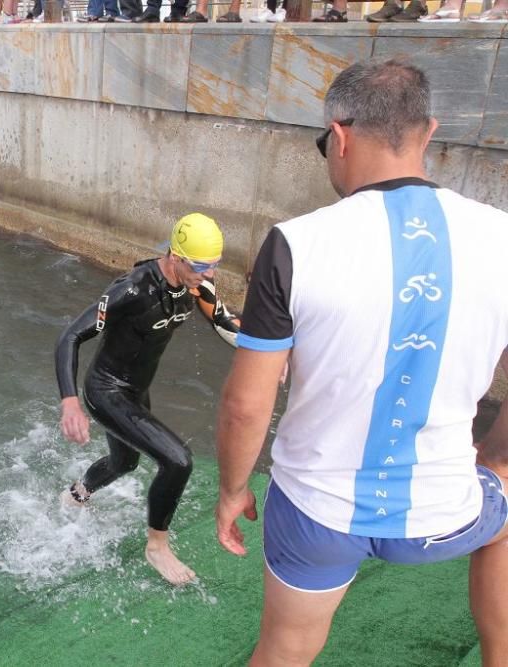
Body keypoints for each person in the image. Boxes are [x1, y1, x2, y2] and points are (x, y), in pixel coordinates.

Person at [214, 59, 508, 666]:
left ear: (340, 137)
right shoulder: (501, 238)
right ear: (428, 133)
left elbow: (246, 405)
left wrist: (232, 490)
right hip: (445, 513)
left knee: (285, 651)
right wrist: (496, 454)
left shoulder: (294, 243)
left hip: (316, 512)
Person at [55, 212, 240, 586]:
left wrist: (272, 353)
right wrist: (70, 402)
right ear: (176, 257)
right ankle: (157, 547)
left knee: (125, 463)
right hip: (105, 391)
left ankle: (75, 495)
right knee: (178, 461)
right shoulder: (130, 290)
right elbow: (70, 337)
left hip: (136, 392)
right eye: (202, 267)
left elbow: (225, 323)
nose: (210, 276)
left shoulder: (197, 286)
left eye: (215, 267)